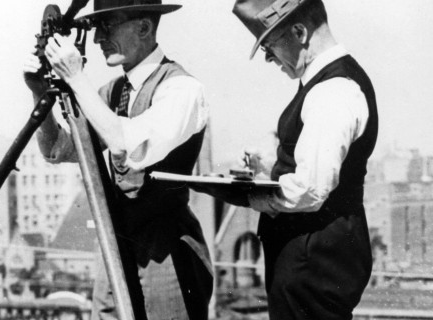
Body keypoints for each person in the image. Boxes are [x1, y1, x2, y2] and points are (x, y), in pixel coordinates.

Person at [23, 1, 213, 319]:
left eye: (108, 26)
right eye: (97, 29)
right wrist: (39, 92)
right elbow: (58, 149)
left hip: (167, 251)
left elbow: (128, 144)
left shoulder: (182, 89)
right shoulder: (111, 92)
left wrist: (76, 78)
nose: (98, 39)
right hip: (118, 246)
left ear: (143, 27)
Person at [198, 0, 378, 319]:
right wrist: (268, 168)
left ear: (299, 31)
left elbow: (310, 189)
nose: (268, 57)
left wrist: (245, 194)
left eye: (269, 44)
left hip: (313, 258)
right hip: (314, 255)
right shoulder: (325, 84)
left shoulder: (334, 90)